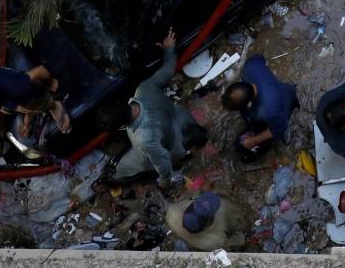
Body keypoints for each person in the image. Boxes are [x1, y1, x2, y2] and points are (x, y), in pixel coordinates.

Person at [109, 30, 207, 189]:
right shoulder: (143, 89)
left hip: (175, 146)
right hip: (184, 119)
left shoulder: (143, 140)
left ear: (121, 126)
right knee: (200, 136)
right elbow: (167, 70)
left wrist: (164, 183)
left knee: (125, 168)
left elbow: (163, 164)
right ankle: (205, 143)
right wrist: (168, 49)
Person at [221, 54, 299, 162]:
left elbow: (280, 128)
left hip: (285, 101)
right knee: (240, 143)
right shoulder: (250, 66)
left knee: (245, 149)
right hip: (273, 90)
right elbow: (260, 57)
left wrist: (254, 140)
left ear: (248, 103)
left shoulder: (269, 110)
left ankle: (267, 145)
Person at [167, 192, 238, 251]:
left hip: (187, 241)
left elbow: (192, 197)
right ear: (207, 224)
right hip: (207, 246)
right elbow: (237, 223)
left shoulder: (172, 213)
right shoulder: (217, 240)